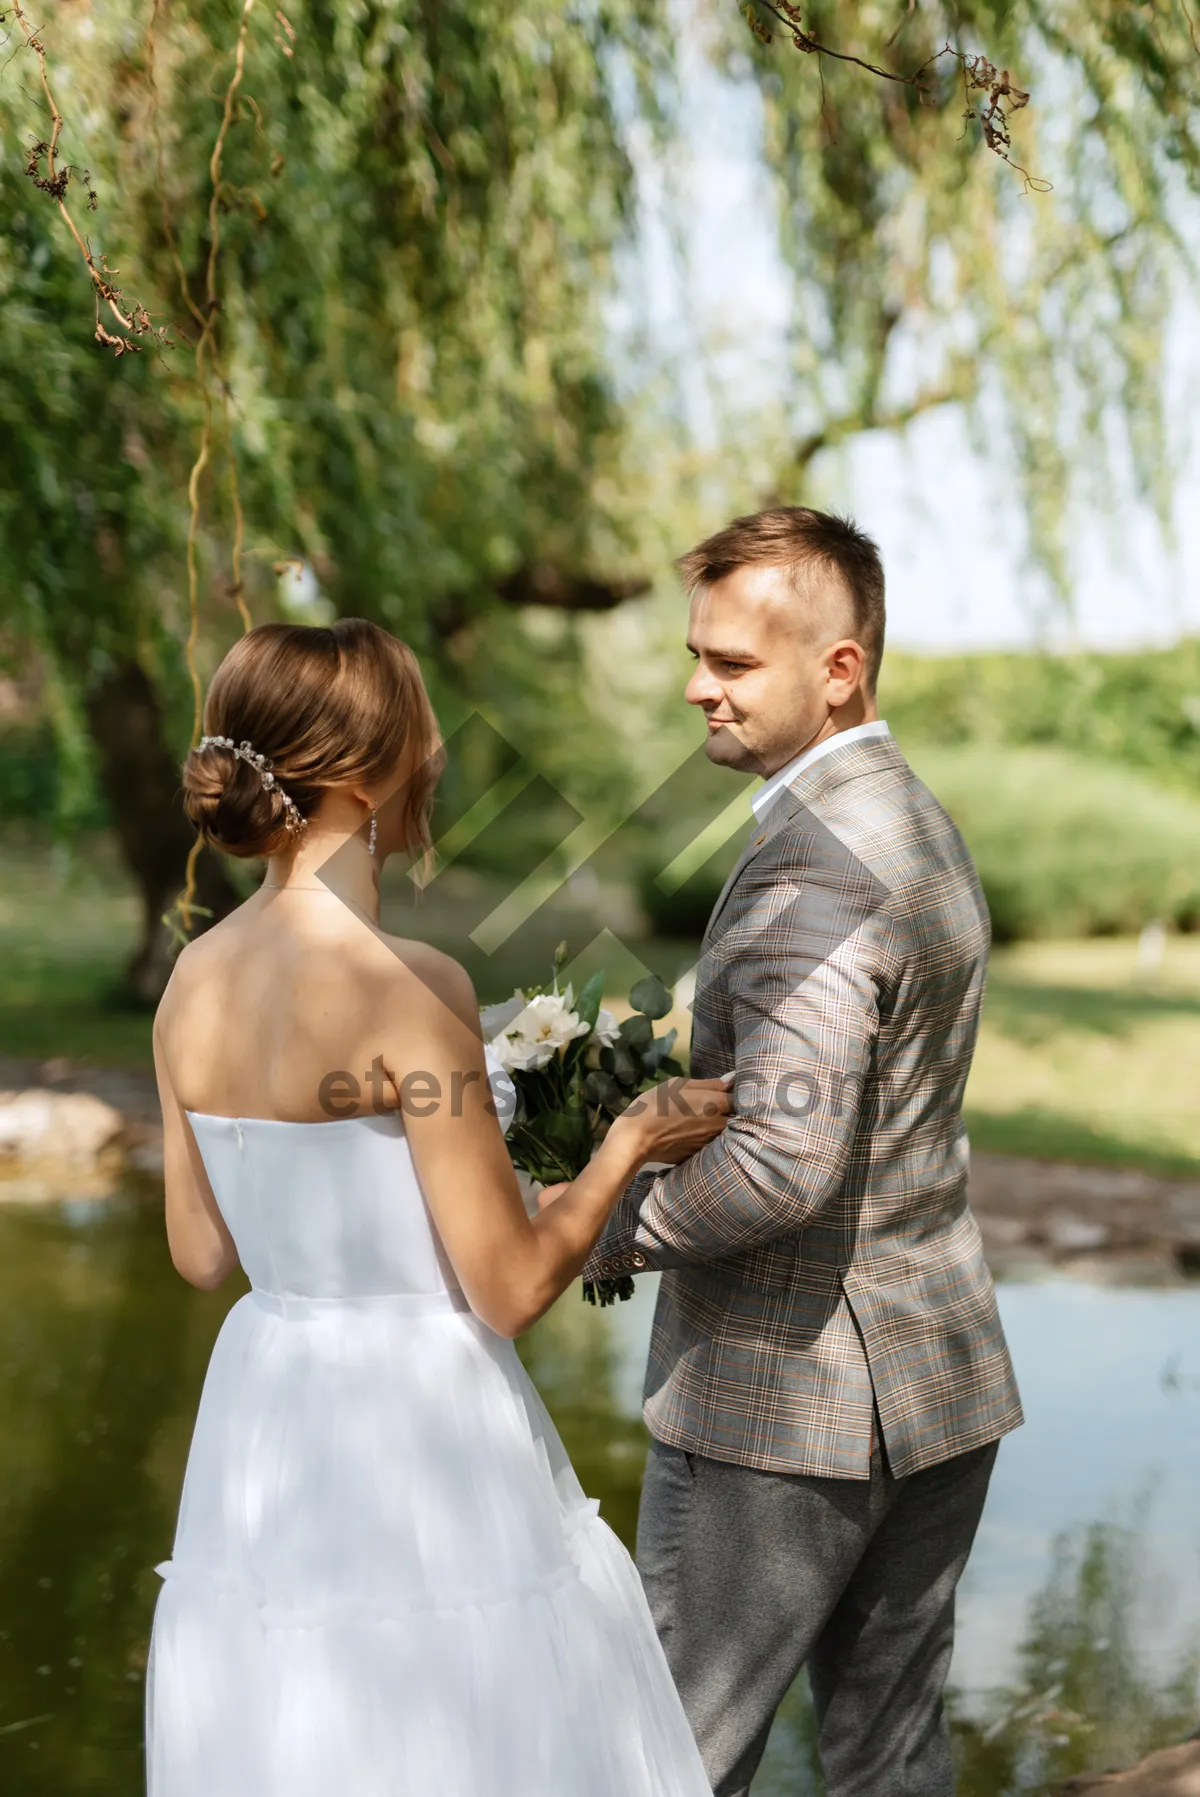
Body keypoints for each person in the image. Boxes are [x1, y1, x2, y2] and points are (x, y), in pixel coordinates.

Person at [146, 617, 731, 1797]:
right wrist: (627, 1143)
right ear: (366, 776)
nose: (440, 758)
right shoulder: (412, 991)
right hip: (414, 1424)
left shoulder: (190, 980)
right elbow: (508, 1289)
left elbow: (203, 1252)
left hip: (268, 1408)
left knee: (294, 1722)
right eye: (424, 735)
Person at [585, 507, 1024, 1797]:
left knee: (676, 1759)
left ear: (842, 668)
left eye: (732, 664)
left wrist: (595, 1216)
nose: (695, 687)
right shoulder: (916, 820)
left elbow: (782, 1163)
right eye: (697, 655)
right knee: (890, 1756)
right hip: (936, 1384)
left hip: (784, 1413)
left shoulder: (810, 871)